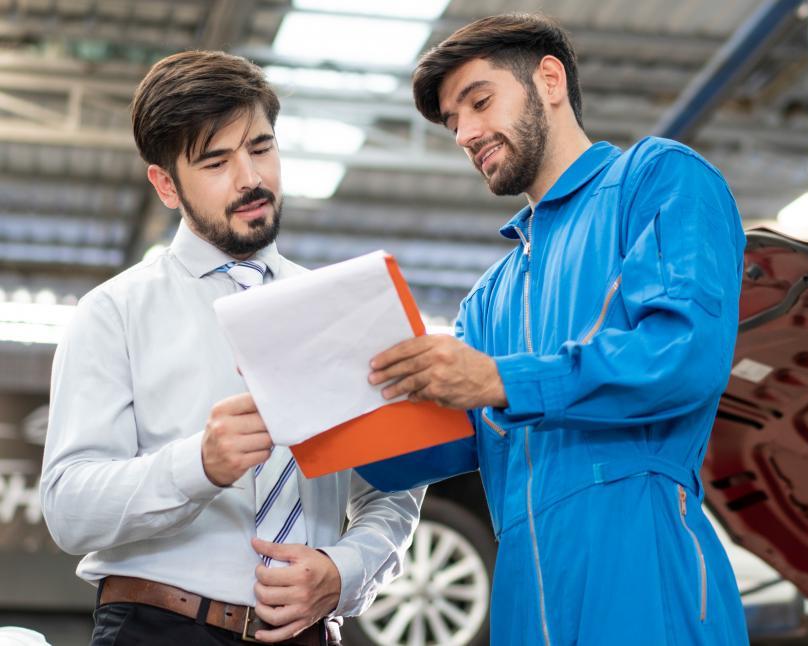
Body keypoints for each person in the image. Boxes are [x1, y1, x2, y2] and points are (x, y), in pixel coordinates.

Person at [360, 13, 750, 645]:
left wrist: (500, 378)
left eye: (479, 102)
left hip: (645, 579)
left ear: (549, 79)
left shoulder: (656, 181)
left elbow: (683, 355)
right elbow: (446, 440)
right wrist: (318, 412)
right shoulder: (490, 296)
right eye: (452, 122)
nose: (465, 133)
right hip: (523, 603)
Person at [40, 50, 423, 646]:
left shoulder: (343, 308)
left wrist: (346, 570)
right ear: (166, 185)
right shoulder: (113, 313)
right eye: (215, 161)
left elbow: (392, 492)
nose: (250, 178)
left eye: (262, 148)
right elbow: (68, 509)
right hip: (157, 629)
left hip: (307, 631)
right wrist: (199, 466)